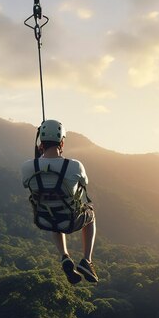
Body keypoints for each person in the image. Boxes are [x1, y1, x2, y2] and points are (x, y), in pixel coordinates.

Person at [21, 119, 98, 284]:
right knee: (90, 212)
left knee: (53, 208)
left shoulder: (27, 167)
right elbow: (84, 183)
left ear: (40, 143)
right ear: (61, 142)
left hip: (45, 219)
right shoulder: (75, 166)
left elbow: (27, 182)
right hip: (70, 221)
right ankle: (87, 260)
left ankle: (64, 255)